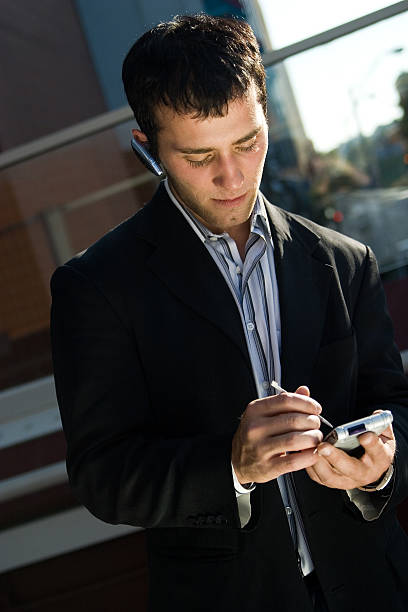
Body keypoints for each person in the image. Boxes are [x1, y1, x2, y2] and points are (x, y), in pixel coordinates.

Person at [50, 14, 408, 612]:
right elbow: (102, 477)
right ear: (148, 151)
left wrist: (378, 467)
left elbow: (396, 406)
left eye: (248, 142)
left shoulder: (344, 260)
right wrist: (231, 466)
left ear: (267, 117)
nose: (232, 175)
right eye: (198, 156)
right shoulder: (95, 288)